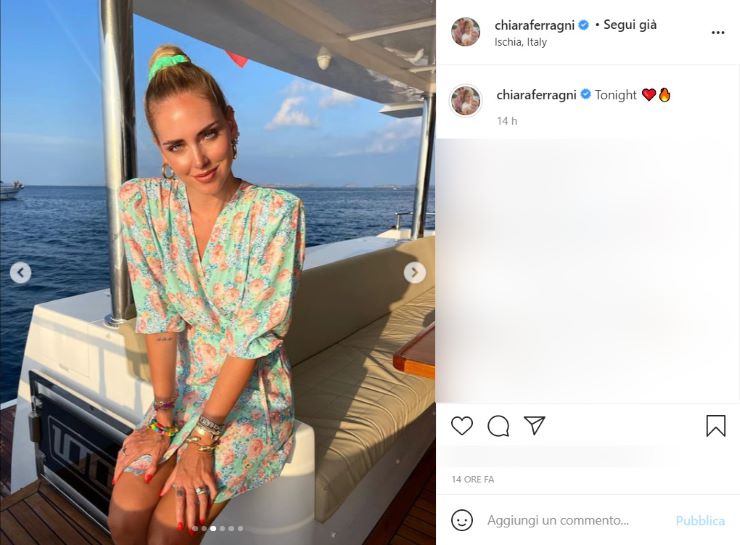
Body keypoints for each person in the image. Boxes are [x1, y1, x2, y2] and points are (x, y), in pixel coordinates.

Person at [108, 44, 306, 544]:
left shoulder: (274, 213)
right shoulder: (143, 205)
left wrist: (203, 440)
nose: (197, 160)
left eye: (209, 135)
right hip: (185, 384)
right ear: (161, 150)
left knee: (169, 529)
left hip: (249, 391)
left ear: (231, 125)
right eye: (176, 146)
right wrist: (162, 419)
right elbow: (158, 316)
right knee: (125, 515)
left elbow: (251, 338)